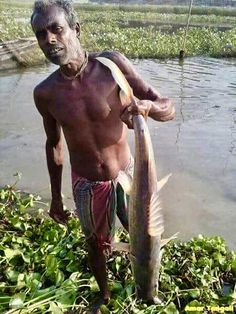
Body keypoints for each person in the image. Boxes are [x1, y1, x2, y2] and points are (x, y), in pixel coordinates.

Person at [31, 0, 175, 310]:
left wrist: (149, 108)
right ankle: (104, 293)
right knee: (96, 246)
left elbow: (167, 106)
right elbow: (54, 146)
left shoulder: (112, 66)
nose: (50, 39)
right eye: (41, 34)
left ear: (76, 30)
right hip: (86, 183)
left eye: (56, 29)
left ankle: (149, 290)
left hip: (129, 178)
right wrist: (56, 198)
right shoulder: (45, 93)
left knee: (146, 242)